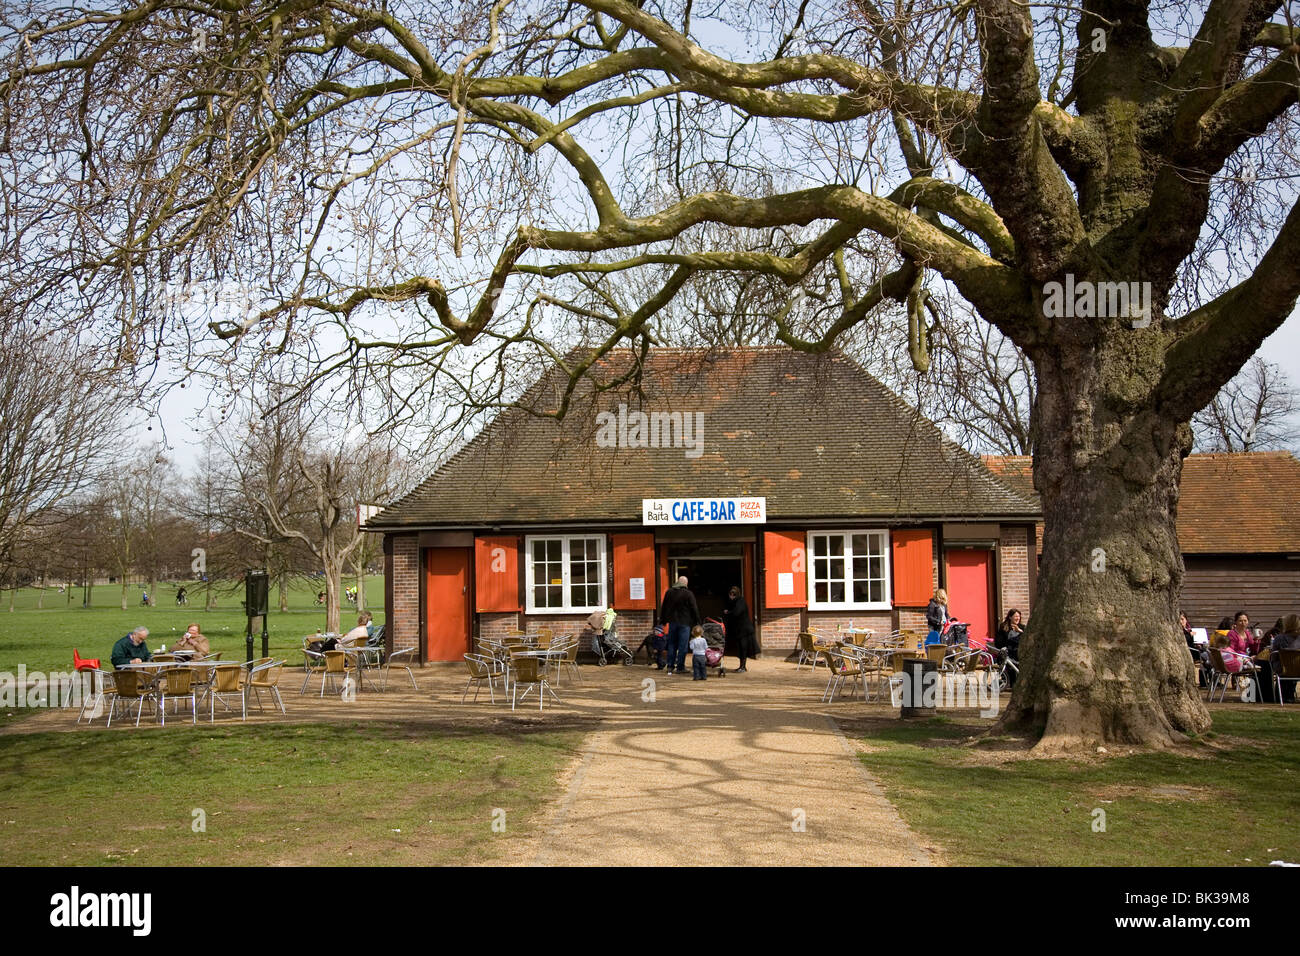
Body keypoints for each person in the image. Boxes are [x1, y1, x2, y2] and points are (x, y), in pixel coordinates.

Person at [659, 576, 701, 676]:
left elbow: (664, 606)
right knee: (683, 646)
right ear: (686, 584)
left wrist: (663, 620)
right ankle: (680, 667)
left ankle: (670, 666)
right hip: (685, 623)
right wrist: (697, 622)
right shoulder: (688, 594)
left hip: (672, 622)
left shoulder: (669, 592)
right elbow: (694, 608)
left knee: (672, 644)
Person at [722, 586, 757, 672]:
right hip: (741, 629)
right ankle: (741, 666)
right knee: (741, 648)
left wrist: (728, 612)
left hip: (744, 630)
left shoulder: (740, 602)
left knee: (743, 647)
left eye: (732, 595)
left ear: (735, 595)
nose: (731, 597)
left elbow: (737, 613)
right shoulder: (737, 602)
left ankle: (743, 667)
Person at [1269, 614, 1300, 703]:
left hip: (1283, 669)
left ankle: (1278, 695)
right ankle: (1289, 695)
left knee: (1270, 663)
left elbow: (1274, 656)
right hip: (1298, 669)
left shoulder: (1279, 638)